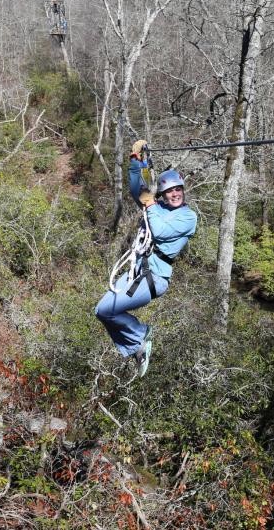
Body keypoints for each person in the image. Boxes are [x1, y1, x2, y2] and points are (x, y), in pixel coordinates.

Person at [95, 139, 197, 377]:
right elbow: (136, 190)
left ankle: (140, 335)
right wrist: (135, 162)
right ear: (163, 193)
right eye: (170, 191)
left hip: (154, 278)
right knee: (101, 311)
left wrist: (151, 205)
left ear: (183, 190)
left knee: (107, 311)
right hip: (137, 272)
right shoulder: (157, 207)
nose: (175, 194)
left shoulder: (188, 217)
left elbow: (160, 231)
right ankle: (137, 347)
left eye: (178, 189)